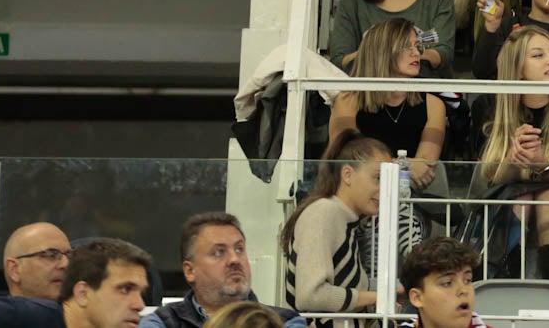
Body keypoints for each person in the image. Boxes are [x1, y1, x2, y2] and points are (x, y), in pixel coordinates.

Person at [473, 25, 549, 282]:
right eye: (538, 56)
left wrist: (542, 165)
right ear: (517, 68)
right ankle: (500, 287)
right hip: (507, 198)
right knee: (523, 197)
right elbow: (492, 179)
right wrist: (514, 160)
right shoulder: (489, 105)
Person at [329, 18, 448, 218]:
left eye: (418, 47)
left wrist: (376, 170)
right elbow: (346, 159)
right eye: (406, 47)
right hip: (356, 204)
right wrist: (404, 166)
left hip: (410, 203)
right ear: (382, 50)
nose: (416, 53)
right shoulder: (348, 100)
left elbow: (424, 167)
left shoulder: (434, 105)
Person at [279, 133, 391, 325]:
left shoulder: (346, 221)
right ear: (347, 174)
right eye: (378, 178)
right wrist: (380, 297)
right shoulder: (324, 212)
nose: (385, 189)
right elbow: (310, 295)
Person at [140, 214, 302, 328]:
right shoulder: (162, 322)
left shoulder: (285, 322)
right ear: (190, 271)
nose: (234, 260)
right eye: (219, 252)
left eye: (239, 249)